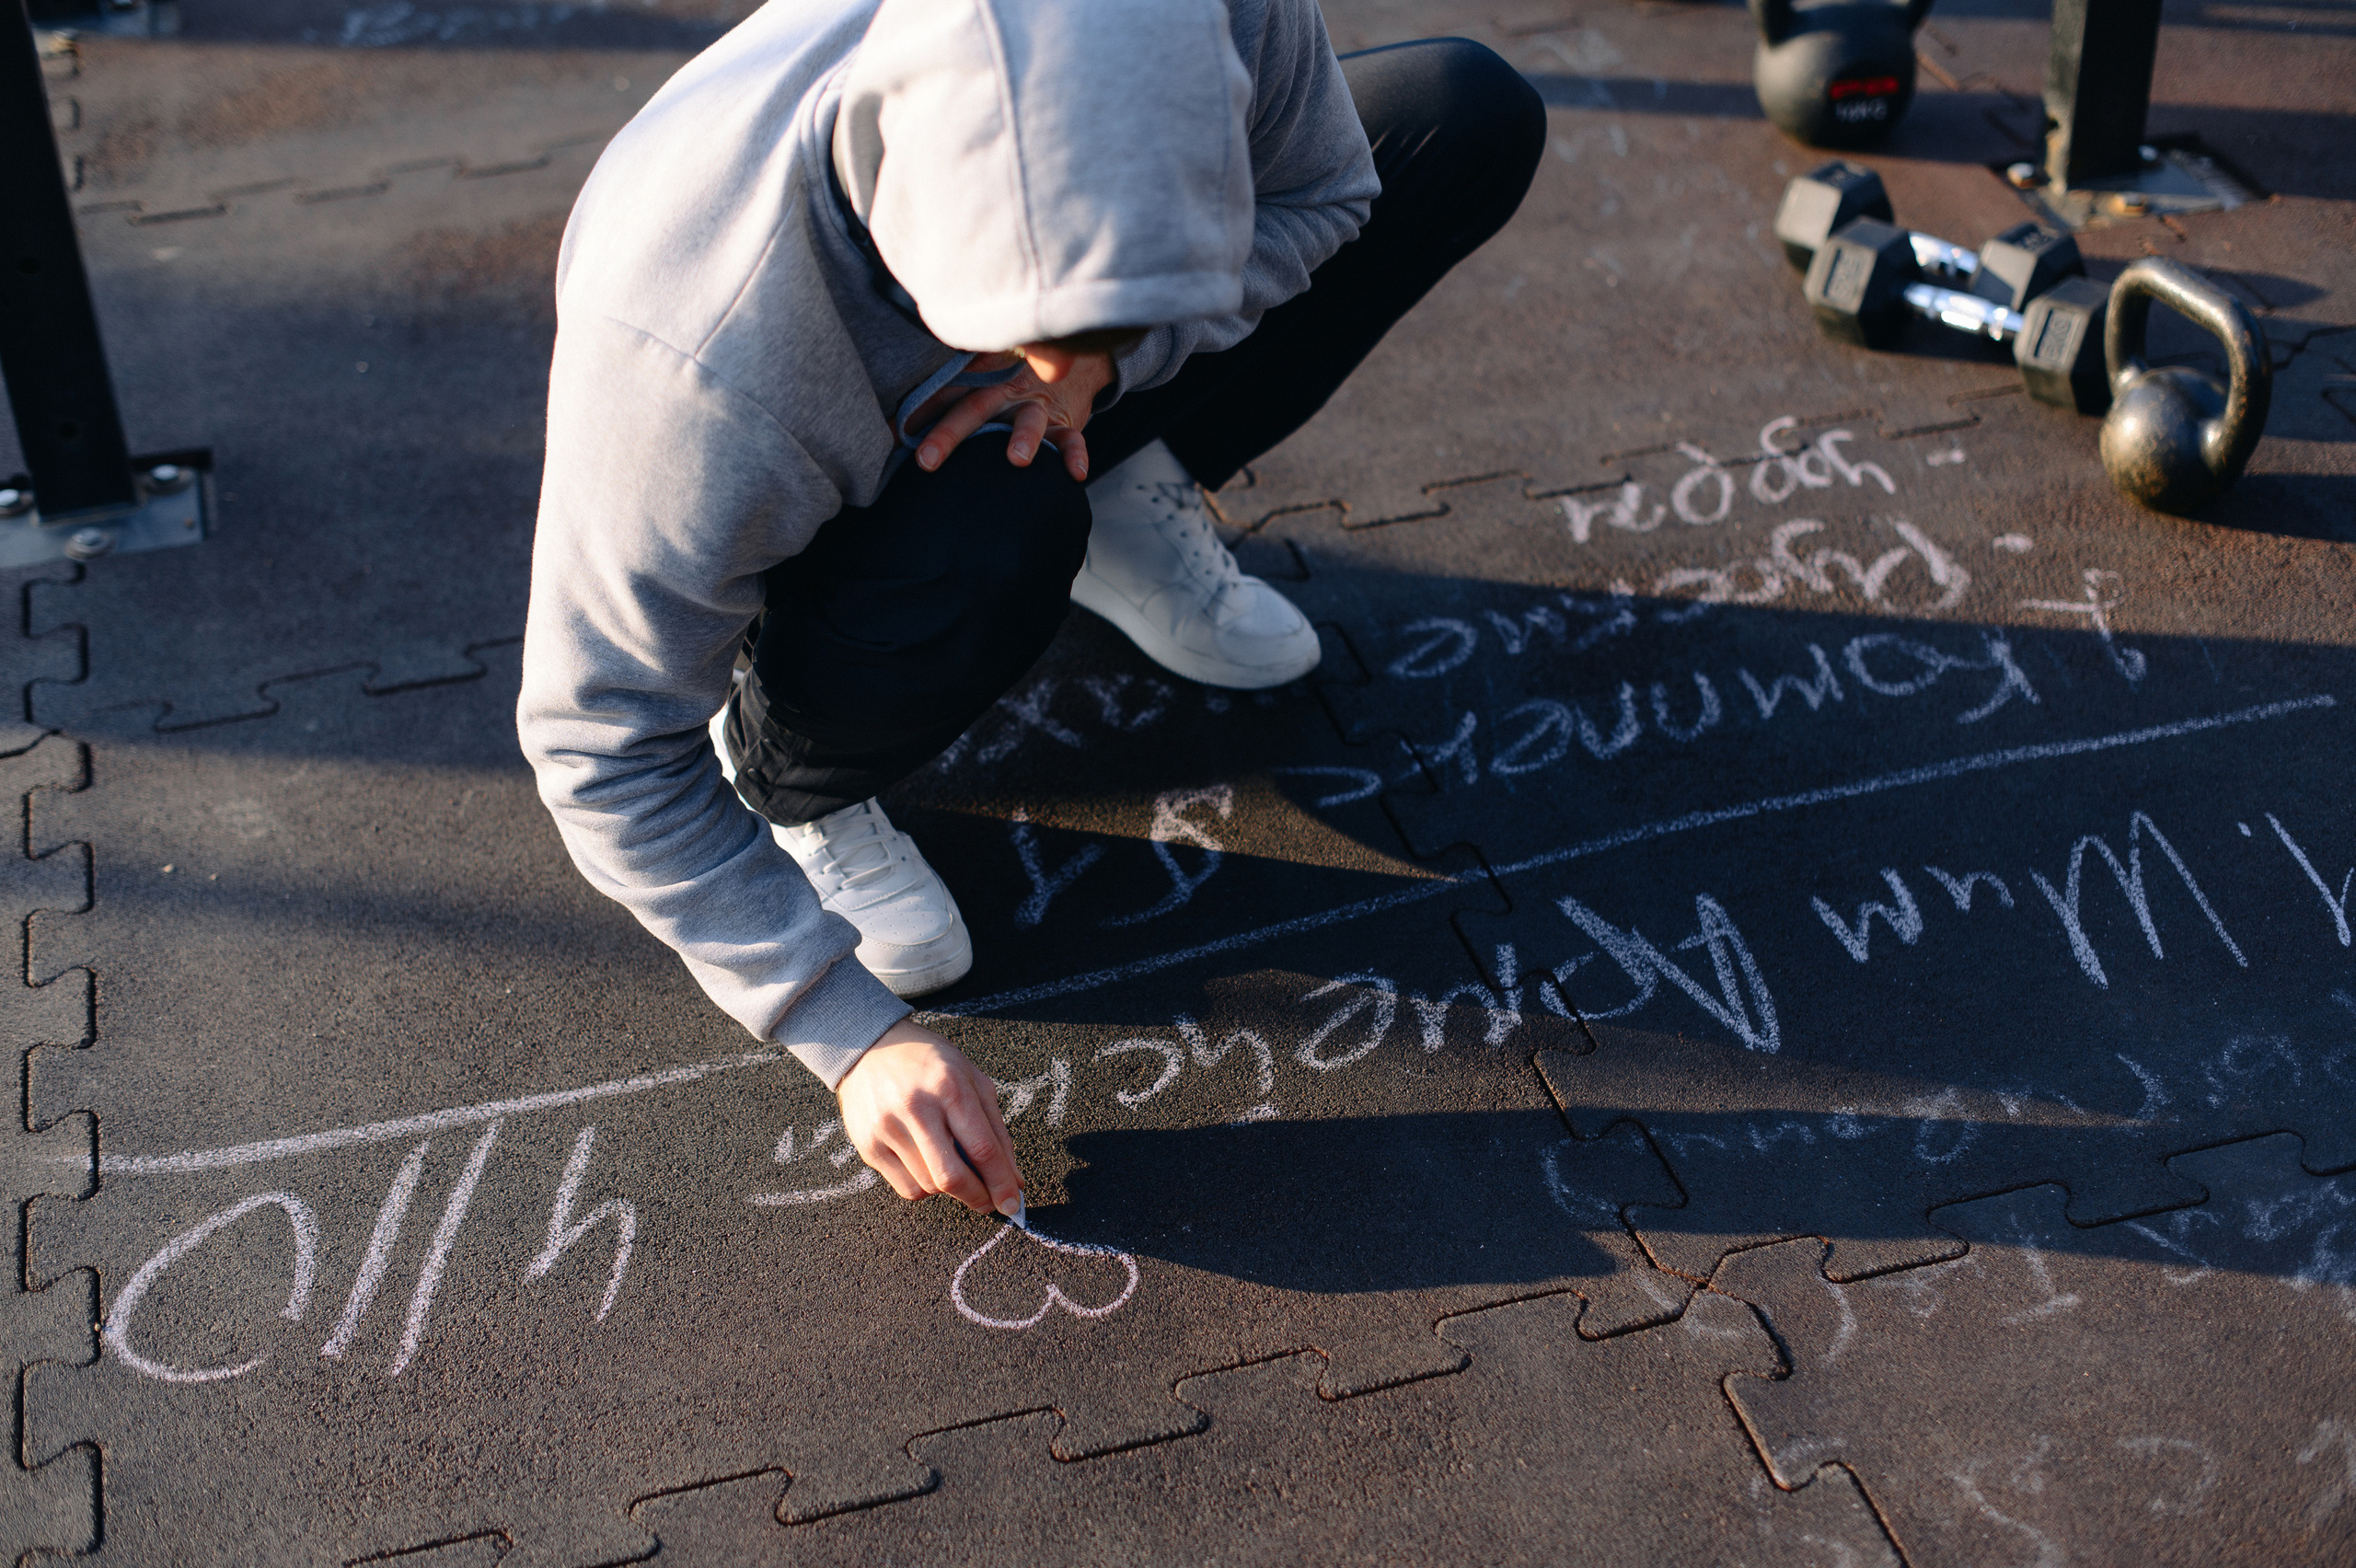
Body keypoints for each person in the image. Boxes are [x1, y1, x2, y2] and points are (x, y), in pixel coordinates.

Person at [518, 0, 1543, 1227]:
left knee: (1458, 115)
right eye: (1030, 336)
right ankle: (787, 754)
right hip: (812, 427)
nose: (1055, 364)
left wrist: (1102, 369)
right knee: (1000, 526)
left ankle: (1113, 469)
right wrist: (843, 1029)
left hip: (982, 381)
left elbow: (1324, 191)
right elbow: (599, 747)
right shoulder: (690, 373)